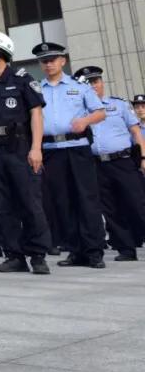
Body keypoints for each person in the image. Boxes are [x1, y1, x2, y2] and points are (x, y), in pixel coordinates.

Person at [0, 32, 51, 274]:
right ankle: (14, 255)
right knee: (1, 205)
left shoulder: (22, 79)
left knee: (30, 202)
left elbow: (36, 114)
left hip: (20, 148)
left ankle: (38, 255)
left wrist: (36, 148)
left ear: (0, 52)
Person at [33, 42, 107, 268]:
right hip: (51, 151)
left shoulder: (80, 87)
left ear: (62, 61)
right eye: (44, 61)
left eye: (52, 59)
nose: (48, 64)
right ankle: (75, 250)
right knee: (62, 202)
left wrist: (85, 120)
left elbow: (100, 112)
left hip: (77, 148)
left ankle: (94, 251)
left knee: (87, 199)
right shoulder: (37, 89)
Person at [73, 66, 145, 261]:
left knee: (137, 204)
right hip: (96, 164)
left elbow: (136, 131)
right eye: (89, 83)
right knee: (110, 208)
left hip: (122, 161)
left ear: (102, 83)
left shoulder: (119, 104)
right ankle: (126, 249)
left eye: (96, 81)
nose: (94, 86)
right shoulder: (80, 110)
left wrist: (144, 157)